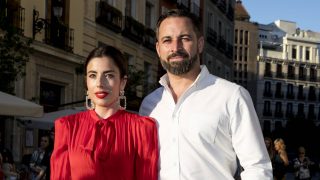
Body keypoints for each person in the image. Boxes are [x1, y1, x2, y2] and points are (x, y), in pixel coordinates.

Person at [139, 9, 272, 179]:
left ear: (200, 44)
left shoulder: (232, 96)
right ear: (158, 49)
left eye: (185, 38)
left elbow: (257, 167)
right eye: (167, 40)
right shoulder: (149, 104)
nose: (175, 47)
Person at [50, 45, 159, 180]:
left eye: (109, 75)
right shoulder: (67, 126)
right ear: (86, 82)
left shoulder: (141, 129)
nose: (100, 83)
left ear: (123, 82)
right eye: (93, 75)